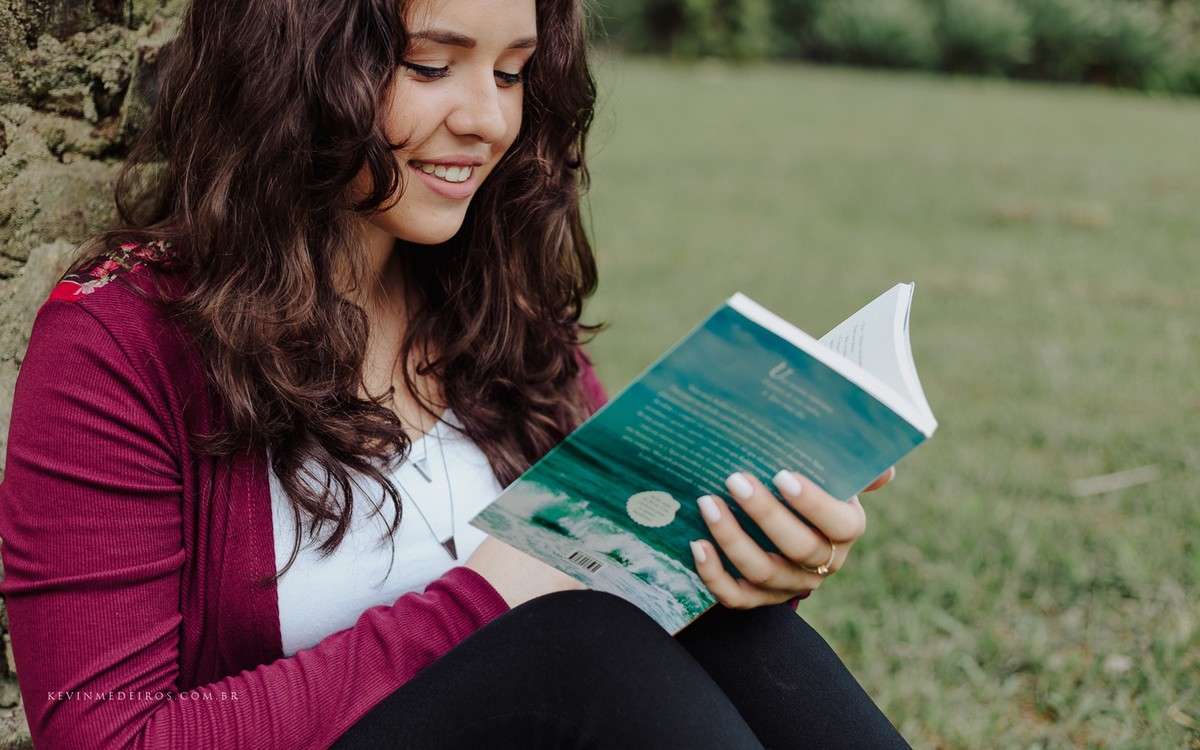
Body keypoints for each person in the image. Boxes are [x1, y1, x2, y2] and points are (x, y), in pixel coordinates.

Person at [0, 0, 912, 746]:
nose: (489, 119)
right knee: (580, 645)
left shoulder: (488, 296)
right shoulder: (116, 340)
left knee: (734, 630)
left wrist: (750, 554)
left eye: (511, 71)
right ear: (294, 65)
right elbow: (101, 736)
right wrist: (489, 594)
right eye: (432, 66)